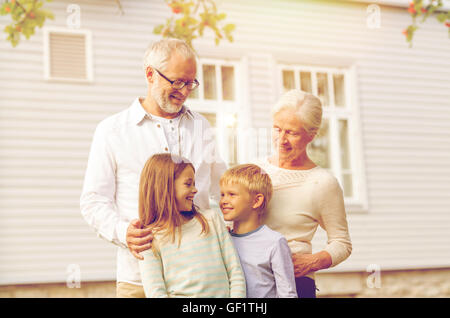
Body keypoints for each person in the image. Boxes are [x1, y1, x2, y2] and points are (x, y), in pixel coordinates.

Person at [80, 38, 227, 298]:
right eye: (177, 81)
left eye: (190, 83)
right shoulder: (112, 131)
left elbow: (222, 189)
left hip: (201, 278)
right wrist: (123, 232)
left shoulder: (201, 126)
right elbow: (93, 201)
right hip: (140, 279)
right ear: (150, 74)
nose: (184, 91)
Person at [255, 89, 352, 298]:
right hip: (252, 279)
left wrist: (314, 260)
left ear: (312, 135)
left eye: (292, 132)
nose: (281, 140)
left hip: (295, 282)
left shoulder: (322, 183)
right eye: (277, 129)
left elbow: (342, 242)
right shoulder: (254, 170)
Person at [137, 153, 246, 298]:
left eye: (194, 184)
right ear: (165, 187)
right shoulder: (149, 240)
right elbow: (156, 293)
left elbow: (235, 272)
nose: (195, 190)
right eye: (188, 184)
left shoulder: (211, 220)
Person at [219, 164, 297, 298]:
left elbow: (287, 293)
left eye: (232, 194)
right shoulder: (222, 239)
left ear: (256, 201)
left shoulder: (274, 242)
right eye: (222, 195)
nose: (224, 200)